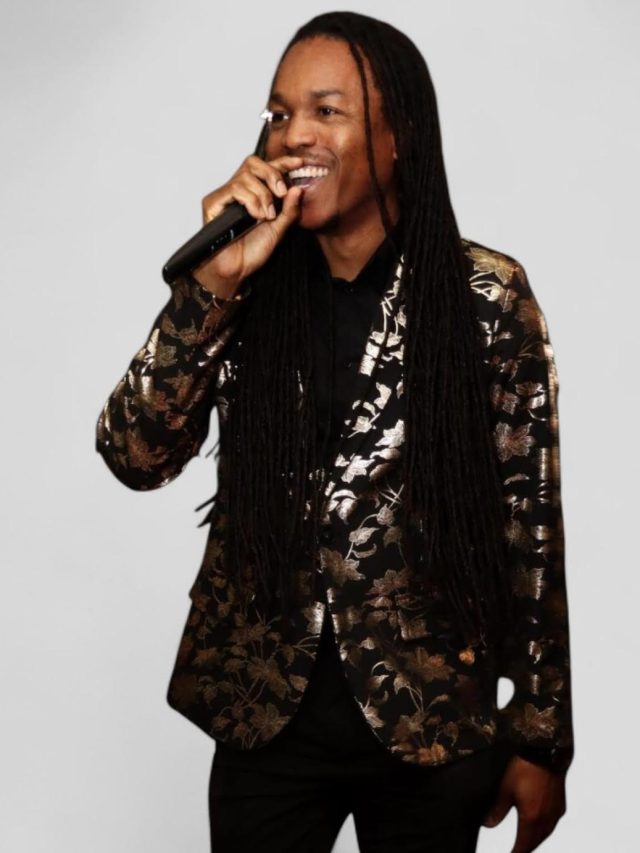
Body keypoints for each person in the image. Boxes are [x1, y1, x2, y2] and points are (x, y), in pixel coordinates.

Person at [95, 11, 573, 853]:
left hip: (430, 715)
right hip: (264, 710)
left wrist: (541, 734)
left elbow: (529, 521)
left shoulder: (486, 299)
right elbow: (134, 454)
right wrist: (210, 288)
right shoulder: (244, 286)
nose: (293, 136)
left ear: (399, 136)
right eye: (279, 114)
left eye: (327, 110)